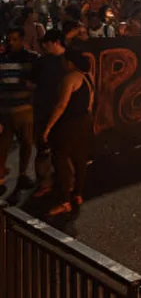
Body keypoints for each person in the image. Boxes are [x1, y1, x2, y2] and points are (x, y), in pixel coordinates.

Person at [42, 48, 94, 216]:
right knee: (80, 158)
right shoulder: (89, 76)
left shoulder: (70, 78)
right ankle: (78, 194)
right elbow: (90, 103)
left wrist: (49, 127)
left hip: (70, 123)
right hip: (84, 120)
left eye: (64, 60)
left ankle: (64, 201)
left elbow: (61, 105)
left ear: (70, 63)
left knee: (60, 158)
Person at [0, 27, 40, 191]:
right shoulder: (2, 59)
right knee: (3, 145)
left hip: (25, 109)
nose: (11, 43)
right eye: (9, 39)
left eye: (15, 39)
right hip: (4, 110)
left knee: (26, 143)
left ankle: (22, 174)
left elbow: (39, 82)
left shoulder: (32, 59)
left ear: (22, 40)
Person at [31, 29, 68, 197]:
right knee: (44, 148)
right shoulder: (43, 62)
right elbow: (30, 82)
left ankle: (64, 183)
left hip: (61, 111)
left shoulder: (68, 61)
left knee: (61, 149)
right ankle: (48, 182)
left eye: (47, 43)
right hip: (45, 110)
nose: (44, 46)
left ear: (56, 42)